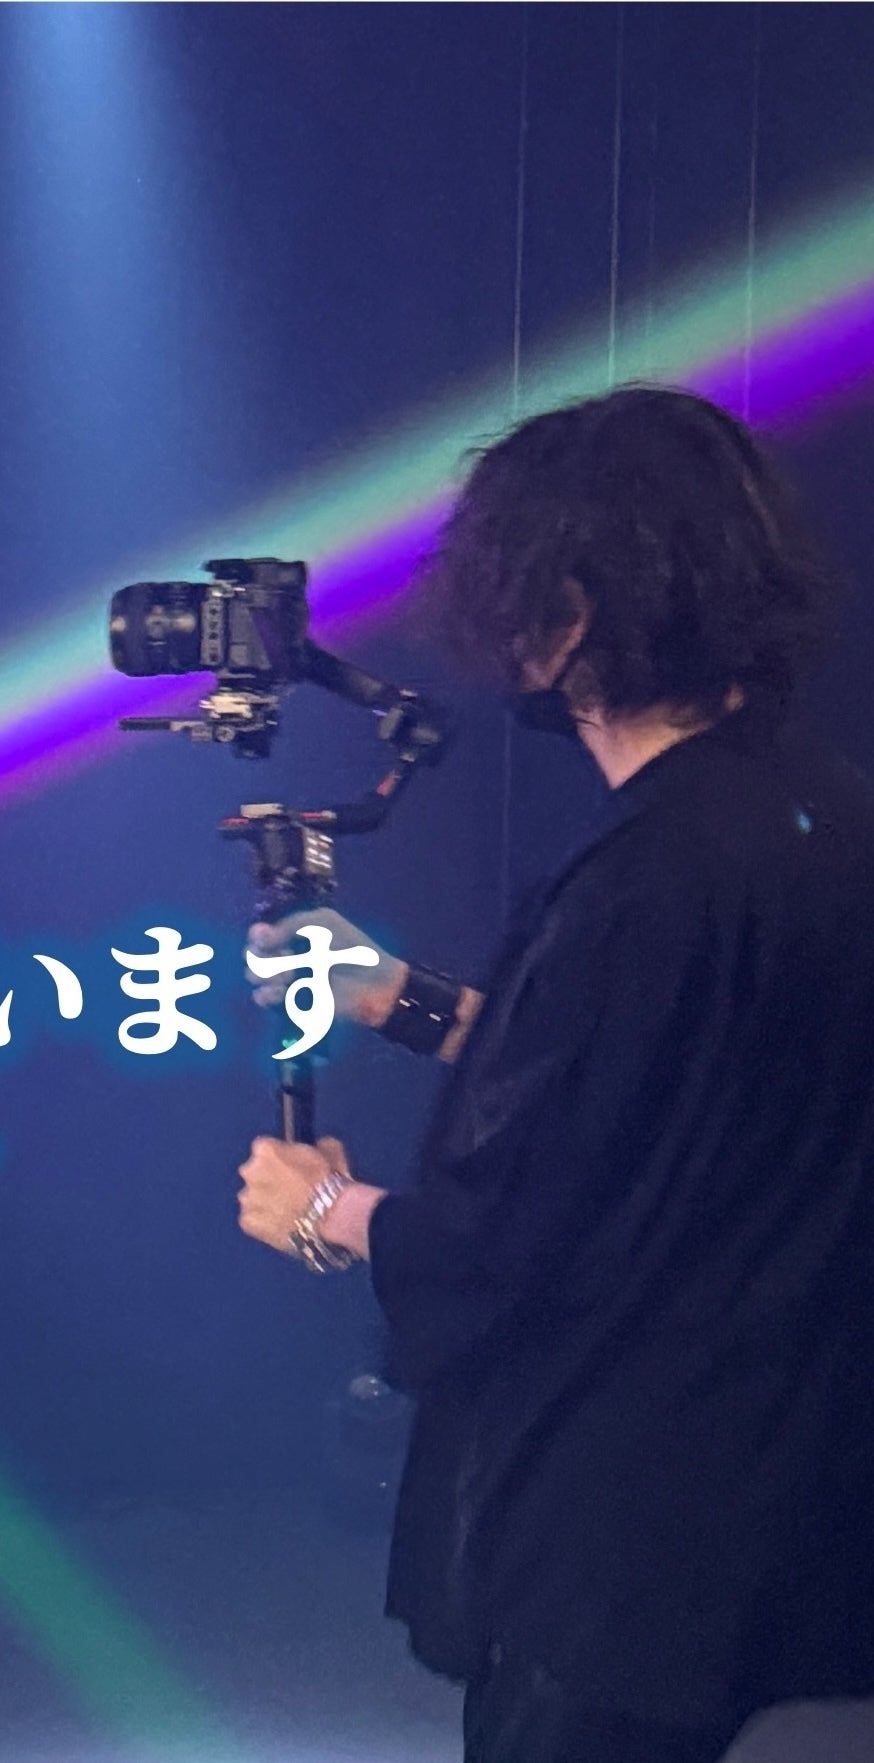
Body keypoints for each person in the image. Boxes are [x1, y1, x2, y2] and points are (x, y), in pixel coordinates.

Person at [232, 387, 874, 1762]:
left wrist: (322, 1209)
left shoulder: (643, 878)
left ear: (568, 615)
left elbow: (516, 1235)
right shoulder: (822, 817)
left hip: (625, 1528)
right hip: (793, 1487)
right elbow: (647, 1084)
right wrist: (393, 997)